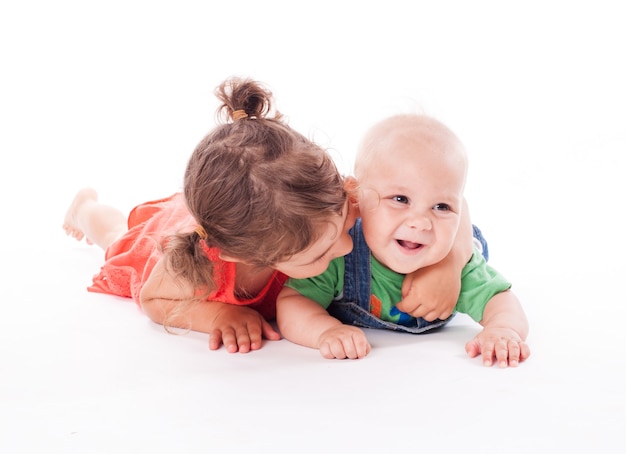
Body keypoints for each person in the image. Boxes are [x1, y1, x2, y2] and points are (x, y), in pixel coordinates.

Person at [63, 77, 469, 354]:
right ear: (246, 256)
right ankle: (85, 209)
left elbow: (447, 200)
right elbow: (153, 299)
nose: (348, 243)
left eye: (344, 224)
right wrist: (221, 312)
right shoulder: (198, 265)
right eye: (321, 253)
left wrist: (450, 263)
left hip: (233, 210)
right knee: (117, 235)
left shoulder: (327, 203)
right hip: (170, 239)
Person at [276, 113, 530, 367]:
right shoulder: (341, 253)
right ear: (357, 196)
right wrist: (325, 331)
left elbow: (501, 300)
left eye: (442, 206)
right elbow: (294, 303)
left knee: (464, 246)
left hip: (456, 250)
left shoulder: (462, 269)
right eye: (400, 199)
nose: (420, 222)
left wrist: (503, 329)